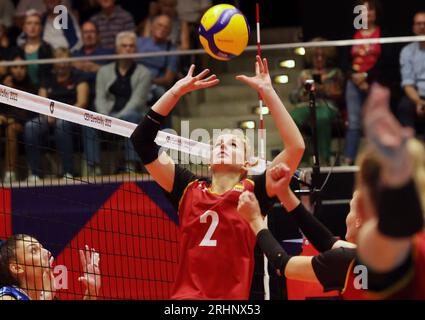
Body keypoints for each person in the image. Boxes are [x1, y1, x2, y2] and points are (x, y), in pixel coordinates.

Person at [131, 55, 305, 299]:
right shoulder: (187, 189)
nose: (223, 146)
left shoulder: (253, 193)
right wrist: (176, 91)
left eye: (233, 144)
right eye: (217, 144)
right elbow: (141, 141)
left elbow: (296, 148)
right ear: (209, 160)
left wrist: (268, 91)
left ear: (247, 163)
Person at [24, 48, 89, 181]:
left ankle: (68, 172)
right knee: (31, 126)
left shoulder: (79, 78)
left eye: (65, 60)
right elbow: (41, 102)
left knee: (62, 124)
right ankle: (35, 173)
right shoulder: (47, 79)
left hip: (73, 118)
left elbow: (82, 102)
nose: (62, 64)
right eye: (59, 60)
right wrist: (48, 114)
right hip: (49, 117)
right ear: (54, 62)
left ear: (70, 62)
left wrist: (62, 114)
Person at [93, 31, 151, 174]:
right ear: (117, 49)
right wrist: (103, 117)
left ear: (135, 49)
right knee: (90, 121)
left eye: (131, 46)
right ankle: (94, 167)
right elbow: (99, 98)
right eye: (124, 46)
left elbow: (137, 101)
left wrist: (117, 119)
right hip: (107, 115)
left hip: (132, 116)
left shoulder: (144, 72)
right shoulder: (104, 71)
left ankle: (130, 165)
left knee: (131, 116)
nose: (127, 49)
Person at [289, 39, 344, 164]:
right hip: (307, 105)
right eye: (315, 56)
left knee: (321, 117)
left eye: (322, 56)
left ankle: (324, 158)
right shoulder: (305, 74)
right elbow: (294, 96)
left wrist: (323, 89)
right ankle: (297, 157)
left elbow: (339, 95)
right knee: (292, 118)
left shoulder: (335, 73)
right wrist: (303, 92)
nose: (319, 59)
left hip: (327, 105)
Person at [0, 234, 100, 300]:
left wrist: (92, 292)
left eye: (42, 248)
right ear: (17, 268)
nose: (47, 252)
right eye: (34, 250)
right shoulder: (7, 297)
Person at [344, 0, 382, 165]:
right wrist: (355, 77)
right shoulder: (352, 34)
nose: (368, 14)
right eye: (364, 11)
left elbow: (386, 60)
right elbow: (344, 60)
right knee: (354, 123)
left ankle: (377, 161)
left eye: (371, 10)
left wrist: (367, 76)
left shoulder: (383, 33)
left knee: (376, 121)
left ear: (376, 14)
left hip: (374, 82)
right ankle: (349, 160)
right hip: (354, 83)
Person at [0, 50, 36, 183]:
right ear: (10, 69)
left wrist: (12, 118)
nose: (19, 71)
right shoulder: (3, 86)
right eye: (15, 67)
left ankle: (10, 173)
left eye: (22, 67)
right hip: (4, 122)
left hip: (23, 125)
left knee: (11, 129)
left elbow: (30, 113)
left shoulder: (31, 87)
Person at [138, 14, 178, 126]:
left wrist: (149, 81)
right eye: (160, 25)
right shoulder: (138, 43)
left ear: (170, 31)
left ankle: (167, 131)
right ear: (152, 26)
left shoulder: (172, 50)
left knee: (164, 96)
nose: (162, 29)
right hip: (134, 81)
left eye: (166, 27)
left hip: (154, 84)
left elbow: (168, 79)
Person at [397, 11, 425, 135]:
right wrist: (419, 102)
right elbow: (407, 83)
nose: (422, 27)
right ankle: (411, 148)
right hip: (416, 96)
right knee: (404, 107)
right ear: (414, 28)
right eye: (418, 24)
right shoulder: (407, 51)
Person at [18, 10, 53, 88]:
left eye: (36, 23)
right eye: (29, 23)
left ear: (41, 28)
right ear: (24, 28)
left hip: (43, 91)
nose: (32, 26)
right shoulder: (18, 49)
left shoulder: (47, 49)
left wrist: (44, 88)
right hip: (23, 91)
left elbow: (49, 74)